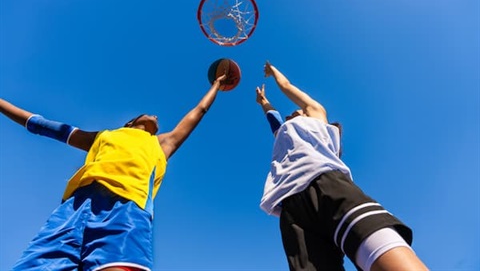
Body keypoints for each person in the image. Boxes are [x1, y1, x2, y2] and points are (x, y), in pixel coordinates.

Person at [0, 74, 227, 271]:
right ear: (130, 122)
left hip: (126, 209)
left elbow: (199, 110)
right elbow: (43, 125)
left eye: (157, 119)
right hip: (75, 208)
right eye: (149, 114)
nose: (156, 117)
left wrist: (216, 85)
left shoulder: (163, 144)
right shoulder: (105, 135)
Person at [255, 61, 428, 271]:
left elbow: (287, 86)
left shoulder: (317, 115)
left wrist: (273, 71)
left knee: (376, 246)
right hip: (291, 206)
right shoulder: (285, 134)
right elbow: (274, 121)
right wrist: (264, 102)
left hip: (326, 183)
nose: (292, 114)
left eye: (297, 111)